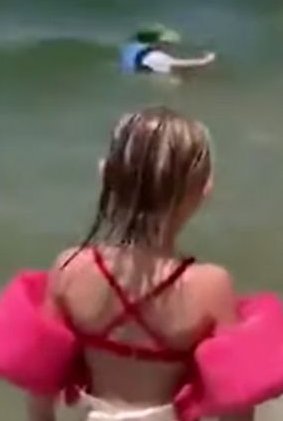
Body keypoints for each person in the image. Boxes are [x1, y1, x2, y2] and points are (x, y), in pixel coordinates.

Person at [27, 107, 249, 421]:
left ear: (106, 176)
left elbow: (40, 385)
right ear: (204, 190)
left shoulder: (70, 269)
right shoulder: (211, 286)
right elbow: (236, 402)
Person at [119, 25, 215, 75]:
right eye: (168, 43)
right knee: (178, 79)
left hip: (135, 71)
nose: (170, 45)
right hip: (156, 78)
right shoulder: (156, 57)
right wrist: (207, 59)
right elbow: (186, 63)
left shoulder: (131, 46)